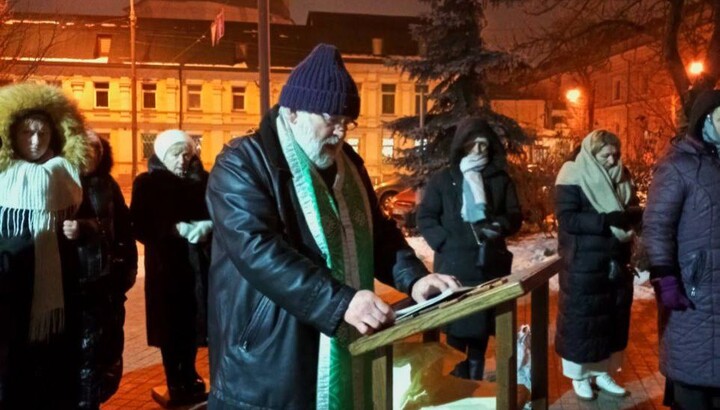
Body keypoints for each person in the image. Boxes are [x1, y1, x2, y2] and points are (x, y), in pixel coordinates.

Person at [205, 43, 460, 409]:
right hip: (268, 360)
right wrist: (340, 303)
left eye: (346, 123)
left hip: (338, 338)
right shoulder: (242, 163)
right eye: (330, 119)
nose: (340, 134)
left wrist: (415, 278)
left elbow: (376, 231)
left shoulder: (347, 164)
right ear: (292, 111)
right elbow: (257, 249)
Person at [0, 82, 88, 408]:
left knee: (55, 372)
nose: (36, 141)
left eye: (43, 133)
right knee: (13, 373)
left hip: (61, 296)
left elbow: (103, 227)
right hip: (11, 295)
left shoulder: (69, 176)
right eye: (27, 133)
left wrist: (84, 229)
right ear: (12, 136)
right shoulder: (2, 178)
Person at [416, 117, 522, 380]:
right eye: (472, 144)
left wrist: (498, 226)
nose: (478, 150)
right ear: (462, 146)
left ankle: (472, 384)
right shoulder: (444, 179)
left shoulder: (499, 178)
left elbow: (515, 215)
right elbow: (426, 216)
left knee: (480, 333)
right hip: (453, 268)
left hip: (487, 266)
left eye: (483, 145)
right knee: (455, 334)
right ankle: (455, 388)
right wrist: (443, 242)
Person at [644, 89, 720, 410]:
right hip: (695, 292)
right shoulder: (677, 167)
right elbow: (657, 227)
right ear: (705, 121)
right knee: (693, 381)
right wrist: (665, 278)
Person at [554, 130, 641, 401]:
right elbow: (567, 218)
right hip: (583, 263)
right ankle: (579, 375)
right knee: (584, 321)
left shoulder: (623, 176)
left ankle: (603, 371)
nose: (614, 161)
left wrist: (632, 216)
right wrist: (606, 221)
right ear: (592, 154)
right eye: (607, 156)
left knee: (611, 320)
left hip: (615, 261)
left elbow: (633, 206)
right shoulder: (572, 174)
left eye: (616, 155)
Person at [130, 129, 211, 405]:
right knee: (170, 324)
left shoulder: (201, 181)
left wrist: (207, 227)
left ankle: (189, 371)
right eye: (176, 155)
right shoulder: (148, 184)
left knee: (193, 322)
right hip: (166, 267)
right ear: (163, 156)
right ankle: (173, 376)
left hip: (198, 265)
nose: (182, 161)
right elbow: (139, 226)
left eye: (187, 154)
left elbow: (218, 213)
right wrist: (173, 229)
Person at [62, 132, 137, 409]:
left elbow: (123, 231)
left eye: (97, 149)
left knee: (106, 352)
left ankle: (95, 400)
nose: (92, 155)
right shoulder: (62, 183)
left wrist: (126, 273)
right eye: (86, 149)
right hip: (76, 287)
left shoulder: (108, 184)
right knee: (80, 355)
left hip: (107, 287)